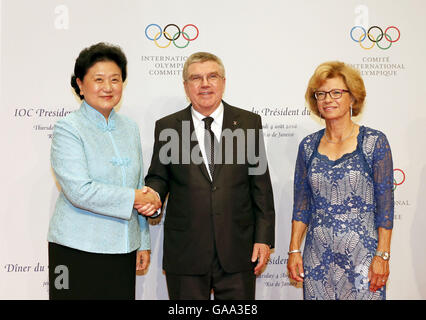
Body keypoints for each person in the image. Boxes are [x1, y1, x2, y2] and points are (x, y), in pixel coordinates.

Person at [138, 52, 275, 300]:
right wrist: (153, 197)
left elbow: (260, 186)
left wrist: (264, 239)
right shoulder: (168, 126)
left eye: (212, 76)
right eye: (196, 78)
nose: (205, 84)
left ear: (223, 81)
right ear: (186, 86)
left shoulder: (248, 122)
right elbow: (159, 177)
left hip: (238, 251)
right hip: (186, 254)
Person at [47, 42, 161, 300]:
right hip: (76, 249)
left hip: (123, 249)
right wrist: (136, 198)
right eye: (98, 79)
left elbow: (139, 183)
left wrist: (142, 242)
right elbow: (79, 191)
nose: (108, 87)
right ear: (80, 84)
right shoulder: (68, 128)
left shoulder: (129, 127)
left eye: (115, 79)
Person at [287, 61, 394, 300]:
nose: (328, 99)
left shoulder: (374, 142)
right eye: (321, 94)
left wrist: (383, 255)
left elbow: (385, 207)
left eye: (336, 92)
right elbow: (302, 206)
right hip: (317, 257)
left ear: (353, 99)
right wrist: (294, 249)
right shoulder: (308, 146)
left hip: (363, 257)